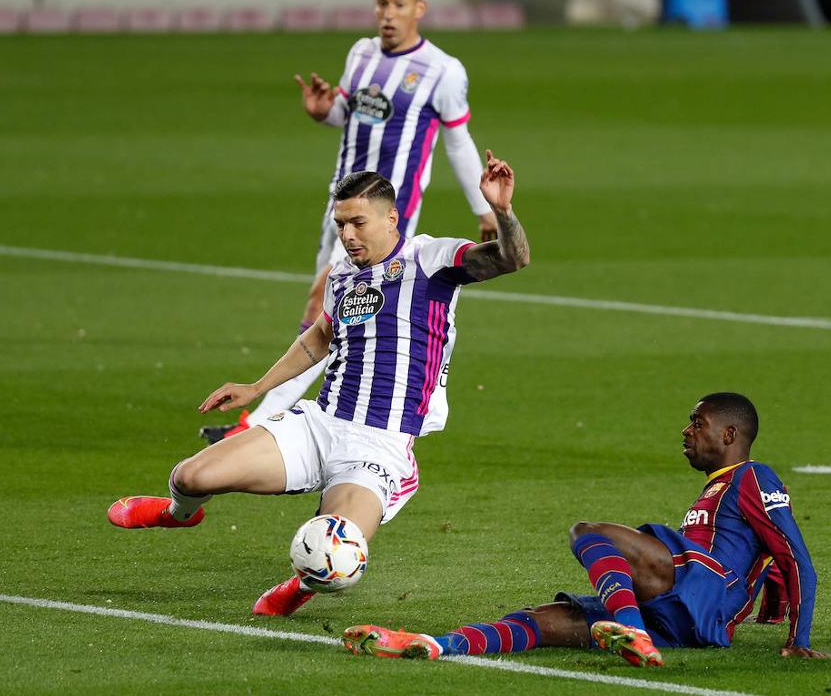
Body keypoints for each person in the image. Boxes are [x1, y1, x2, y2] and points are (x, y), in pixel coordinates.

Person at [107, 152, 530, 616]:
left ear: (392, 218)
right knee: (190, 476)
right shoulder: (343, 275)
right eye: (340, 223)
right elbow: (321, 337)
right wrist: (256, 387)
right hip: (320, 424)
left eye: (358, 223)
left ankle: (303, 583)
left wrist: (503, 213)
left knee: (338, 554)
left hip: (378, 446)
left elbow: (511, 258)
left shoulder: (430, 259)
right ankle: (178, 515)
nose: (347, 235)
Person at [201, 0, 498, 442]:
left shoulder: (442, 70)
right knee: (325, 311)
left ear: (419, 8)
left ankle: (256, 424)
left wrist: (482, 209)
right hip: (339, 205)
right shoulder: (361, 53)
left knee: (326, 301)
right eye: (381, 2)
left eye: (399, 4)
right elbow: (352, 112)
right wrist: (325, 112)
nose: (388, 13)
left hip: (378, 217)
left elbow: (458, 141)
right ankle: (274, 418)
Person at [342, 393, 831, 667]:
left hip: (699, 586)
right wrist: (771, 613)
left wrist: (799, 636)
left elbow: (793, 554)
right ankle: (437, 645)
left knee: (589, 531)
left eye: (697, 422)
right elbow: (768, 562)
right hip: (685, 616)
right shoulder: (719, 491)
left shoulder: (752, 475)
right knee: (541, 620)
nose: (686, 431)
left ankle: (634, 632)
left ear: (729, 435)